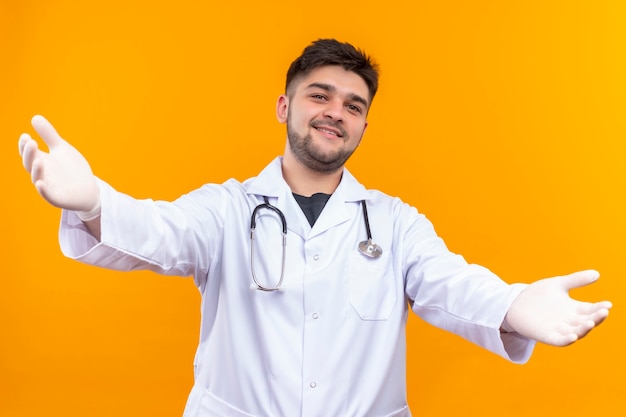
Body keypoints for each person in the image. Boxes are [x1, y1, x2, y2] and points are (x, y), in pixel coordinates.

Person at [18, 39, 611, 417]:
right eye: (320, 94)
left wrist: (513, 306)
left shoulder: (396, 223)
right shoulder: (225, 208)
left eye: (354, 106)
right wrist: (95, 201)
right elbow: (161, 230)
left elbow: (450, 283)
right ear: (285, 107)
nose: (336, 111)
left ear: (363, 128)